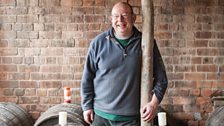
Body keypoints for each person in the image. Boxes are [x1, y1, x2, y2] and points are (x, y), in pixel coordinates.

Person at [81, 2, 168, 126]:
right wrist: (86, 106)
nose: (120, 20)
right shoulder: (98, 43)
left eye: (124, 15)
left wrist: (153, 104)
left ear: (133, 18)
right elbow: (87, 78)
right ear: (111, 19)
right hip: (101, 117)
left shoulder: (146, 43)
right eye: (116, 16)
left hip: (132, 120)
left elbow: (162, 79)